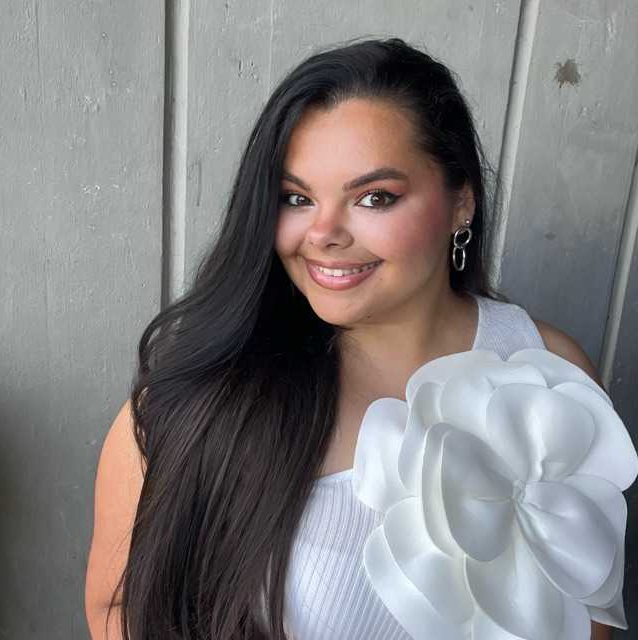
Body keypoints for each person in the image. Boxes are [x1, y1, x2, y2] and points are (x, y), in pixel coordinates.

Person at [84, 37, 614, 639]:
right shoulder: (200, 401)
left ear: (461, 201)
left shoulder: (550, 371)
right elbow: (117, 611)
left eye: (374, 198)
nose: (324, 233)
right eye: (297, 198)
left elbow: (588, 611)